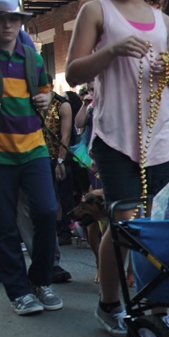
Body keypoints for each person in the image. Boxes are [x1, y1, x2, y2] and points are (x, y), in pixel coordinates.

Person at [65, 0, 169, 337]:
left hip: (161, 137)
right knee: (123, 222)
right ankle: (109, 306)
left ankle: (159, 312)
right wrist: (112, 51)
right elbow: (74, 73)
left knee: (161, 225)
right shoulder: (96, 11)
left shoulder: (164, 20)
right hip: (116, 136)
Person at [0, 0, 63, 315]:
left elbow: (47, 91)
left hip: (34, 148)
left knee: (46, 210)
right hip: (1, 155)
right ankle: (18, 291)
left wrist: (46, 96)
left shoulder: (32, 58)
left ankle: (40, 279)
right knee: (5, 225)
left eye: (12, 19)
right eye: (2, 19)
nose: (7, 25)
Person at [42, 74, 75, 246]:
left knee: (64, 194)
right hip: (40, 156)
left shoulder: (62, 105)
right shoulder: (35, 104)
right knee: (46, 196)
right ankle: (52, 228)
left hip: (59, 156)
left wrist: (60, 161)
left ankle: (66, 230)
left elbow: (66, 135)